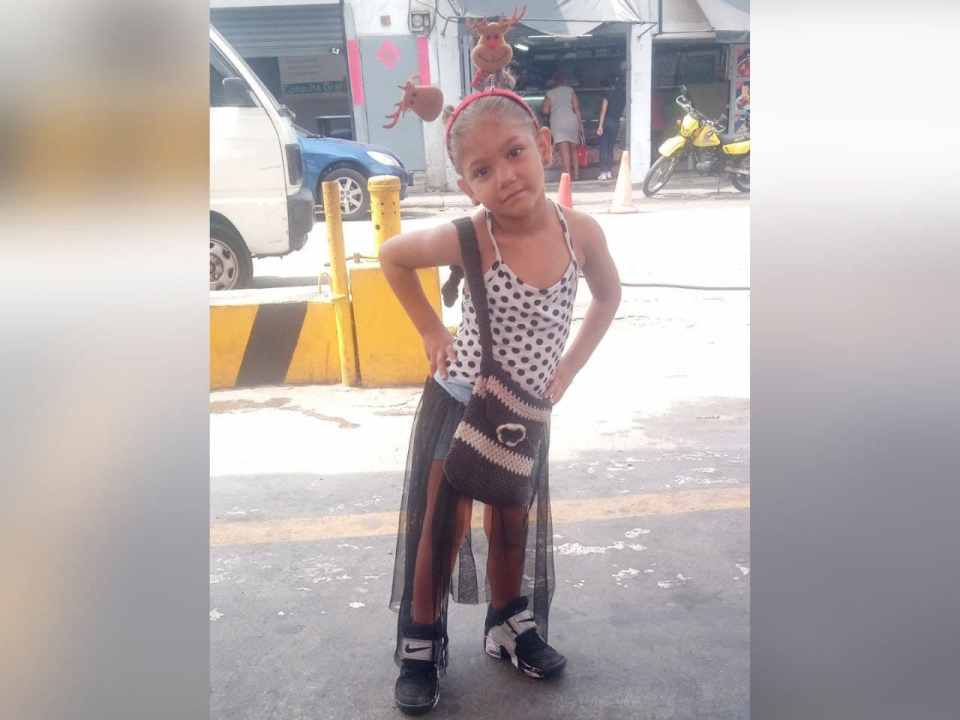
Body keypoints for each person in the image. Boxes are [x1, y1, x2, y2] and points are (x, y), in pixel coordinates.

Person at [379, 88, 622, 715]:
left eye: (515, 153)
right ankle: (421, 644)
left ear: (543, 146)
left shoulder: (580, 232)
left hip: (523, 413)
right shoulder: (472, 237)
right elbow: (393, 256)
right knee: (441, 523)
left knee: (513, 520)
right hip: (461, 401)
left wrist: (569, 367)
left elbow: (607, 297)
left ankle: (508, 623)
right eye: (483, 170)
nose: (505, 176)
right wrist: (431, 330)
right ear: (466, 185)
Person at [541, 70, 583, 180]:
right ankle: (577, 175)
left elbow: (545, 110)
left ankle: (567, 177)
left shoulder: (550, 93)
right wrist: (580, 126)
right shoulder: (570, 90)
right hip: (571, 121)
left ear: (554, 81)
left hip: (558, 122)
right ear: (565, 80)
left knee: (565, 151)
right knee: (573, 149)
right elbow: (577, 108)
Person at [596, 72, 627, 181]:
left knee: (603, 148)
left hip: (606, 122)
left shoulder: (607, 94)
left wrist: (600, 126)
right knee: (610, 148)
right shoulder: (623, 96)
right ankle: (609, 171)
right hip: (616, 123)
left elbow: (603, 111)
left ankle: (603, 173)